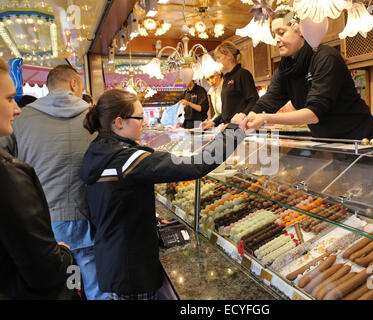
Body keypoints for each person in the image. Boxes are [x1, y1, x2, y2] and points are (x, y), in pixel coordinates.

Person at [79, 89, 246, 300]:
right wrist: (233, 133)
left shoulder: (97, 151)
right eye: (139, 118)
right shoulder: (127, 160)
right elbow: (195, 165)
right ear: (118, 122)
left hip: (112, 257)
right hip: (131, 266)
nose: (143, 123)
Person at [2, 65, 108, 300]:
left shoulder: (21, 119)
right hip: (88, 217)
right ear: (74, 84)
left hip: (43, 223)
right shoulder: (97, 118)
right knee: (95, 285)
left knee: (66, 286)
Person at [0, 57, 76, 300]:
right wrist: (63, 253)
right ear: (75, 84)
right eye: (9, 99)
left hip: (50, 222)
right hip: (78, 225)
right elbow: (44, 270)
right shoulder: (8, 175)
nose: (17, 109)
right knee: (81, 281)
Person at [244, 8, 373, 140]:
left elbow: (314, 113)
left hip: (358, 136)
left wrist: (265, 118)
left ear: (301, 30)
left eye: (281, 32)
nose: (276, 40)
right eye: (274, 35)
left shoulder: (325, 57)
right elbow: (266, 103)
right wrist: (247, 119)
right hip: (326, 138)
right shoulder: (284, 69)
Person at [201, 41, 259, 130]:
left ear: (229, 56)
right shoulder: (226, 78)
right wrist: (213, 122)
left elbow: (254, 101)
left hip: (241, 129)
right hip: (228, 128)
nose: (217, 61)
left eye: (218, 57)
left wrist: (238, 121)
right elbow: (226, 111)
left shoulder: (243, 74)